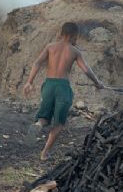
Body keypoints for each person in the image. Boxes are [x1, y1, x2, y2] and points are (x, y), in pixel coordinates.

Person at [23, 22, 104, 161]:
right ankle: (44, 153)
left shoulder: (50, 47)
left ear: (61, 33)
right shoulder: (74, 51)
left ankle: (38, 125)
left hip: (48, 85)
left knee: (44, 117)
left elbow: (37, 62)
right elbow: (86, 69)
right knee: (59, 123)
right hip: (63, 87)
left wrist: (29, 82)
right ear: (74, 35)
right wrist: (97, 82)